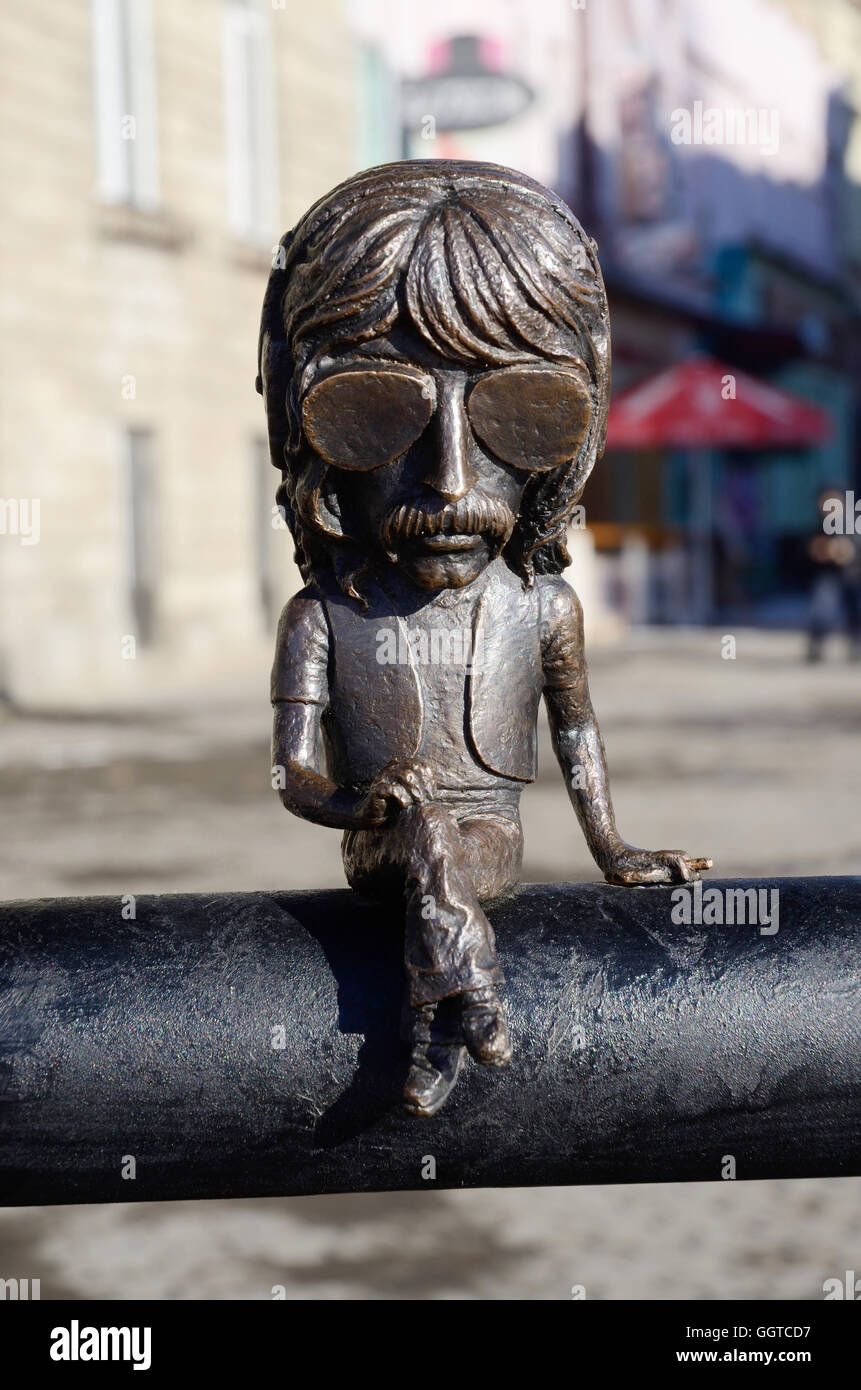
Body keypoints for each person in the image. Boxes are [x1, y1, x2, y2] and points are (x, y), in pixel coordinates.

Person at [259, 161, 710, 1116]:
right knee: (426, 827)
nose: (453, 482)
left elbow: (576, 731)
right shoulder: (321, 616)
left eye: (522, 414)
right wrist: (362, 803)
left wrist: (614, 848)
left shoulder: (542, 609)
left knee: (444, 834)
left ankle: (438, 1008)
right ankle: (461, 1002)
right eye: (376, 413)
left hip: (486, 842)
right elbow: (292, 776)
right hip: (384, 847)